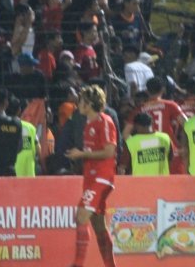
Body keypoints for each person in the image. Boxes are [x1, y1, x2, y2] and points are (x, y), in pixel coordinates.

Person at [65, 84, 117, 267]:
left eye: (81, 101)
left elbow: (109, 152)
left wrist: (82, 154)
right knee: (99, 227)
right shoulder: (88, 124)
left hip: (101, 178)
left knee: (81, 216)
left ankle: (77, 264)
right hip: (91, 178)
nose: (78, 103)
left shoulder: (104, 121)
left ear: (89, 103)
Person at [122, 76, 187, 174]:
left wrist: (137, 145)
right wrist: (183, 145)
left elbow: (125, 134)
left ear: (147, 91)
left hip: (146, 154)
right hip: (170, 151)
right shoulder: (171, 105)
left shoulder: (139, 109)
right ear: (163, 90)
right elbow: (187, 124)